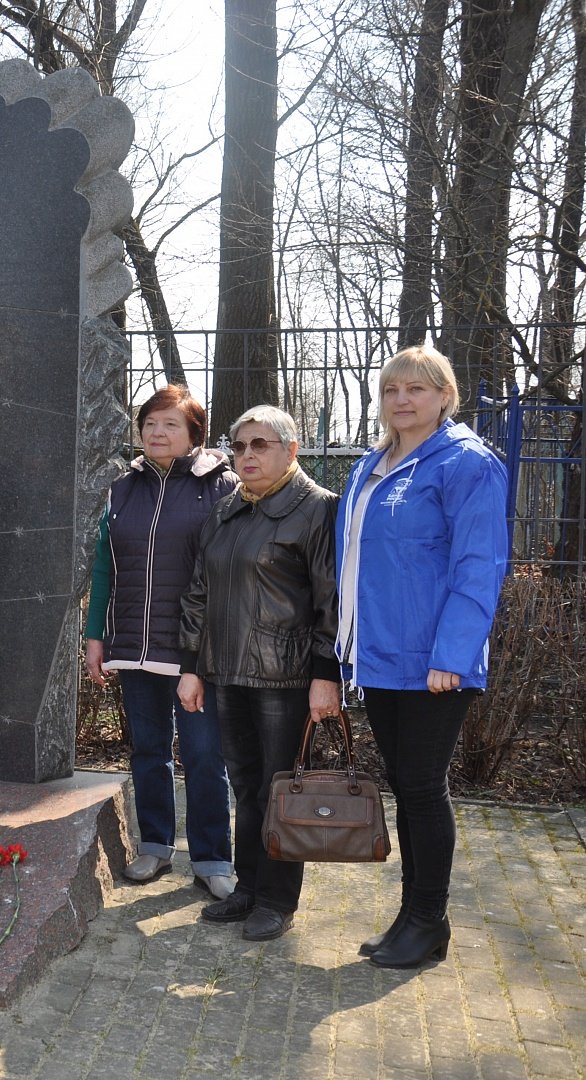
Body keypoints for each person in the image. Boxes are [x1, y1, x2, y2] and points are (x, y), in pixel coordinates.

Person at [336, 345, 508, 969]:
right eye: (391, 390)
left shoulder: (466, 463)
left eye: (417, 388)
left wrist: (453, 654)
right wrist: (347, 650)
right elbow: (356, 568)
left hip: (435, 662)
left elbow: (479, 565)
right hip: (379, 657)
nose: (402, 399)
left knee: (421, 787)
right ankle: (413, 918)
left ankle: (429, 920)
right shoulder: (371, 466)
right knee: (405, 791)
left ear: (444, 396)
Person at [178, 405, 340, 943]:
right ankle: (248, 887)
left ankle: (277, 899)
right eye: (240, 445)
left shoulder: (317, 511)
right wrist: (193, 668)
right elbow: (199, 594)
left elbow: (331, 601)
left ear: (291, 451)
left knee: (280, 790)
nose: (247, 455)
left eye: (261, 445)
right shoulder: (226, 511)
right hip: (226, 671)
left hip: (285, 676)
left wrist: (325, 674)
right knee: (247, 788)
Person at [85, 386, 237, 901]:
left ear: (195, 432)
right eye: (150, 422)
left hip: (195, 651)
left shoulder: (221, 487)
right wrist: (94, 635)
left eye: (170, 424)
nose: (157, 432)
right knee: (149, 751)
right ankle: (154, 845)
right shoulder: (122, 488)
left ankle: (213, 855)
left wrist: (206, 651)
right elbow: (106, 565)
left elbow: (225, 574)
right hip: (133, 644)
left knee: (202, 754)